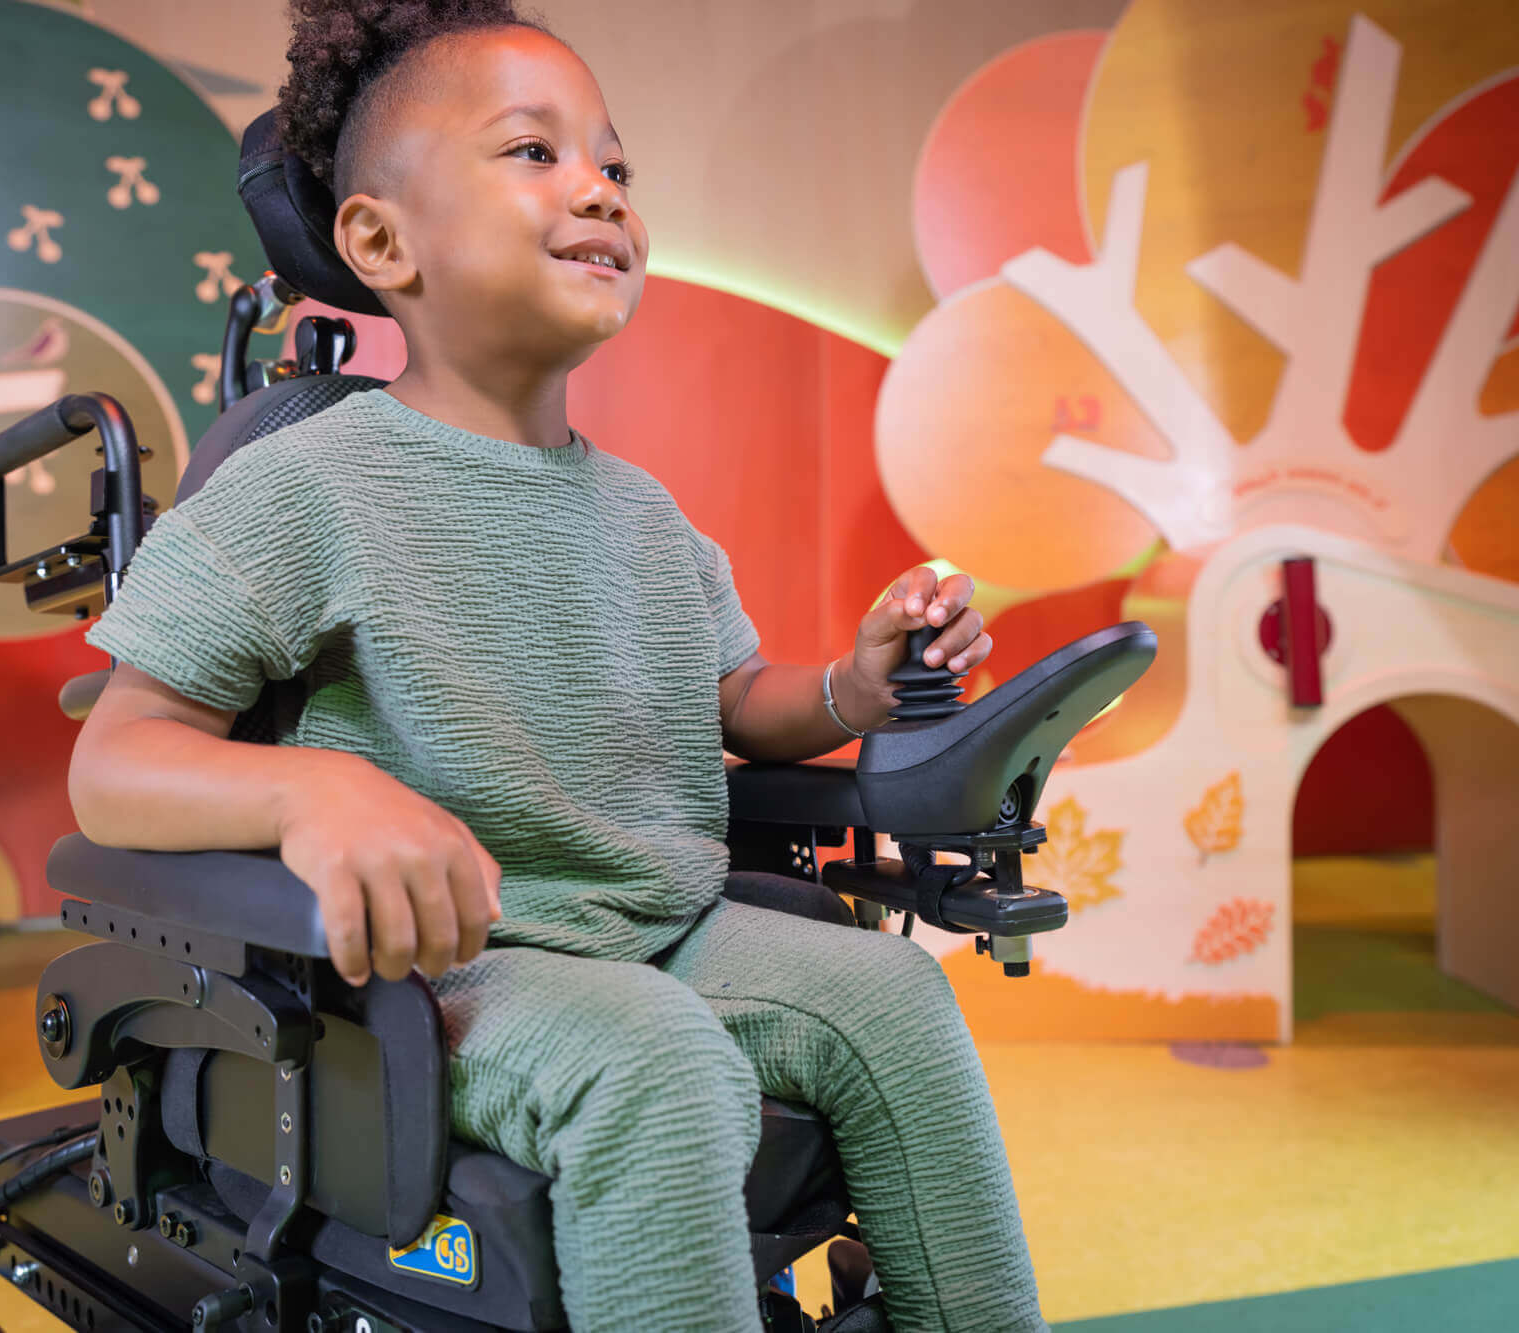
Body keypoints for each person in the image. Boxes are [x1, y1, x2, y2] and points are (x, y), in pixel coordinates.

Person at [69, 2, 1044, 1328]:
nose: (601, 190)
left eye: (616, 165)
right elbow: (116, 759)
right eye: (535, 152)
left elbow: (726, 703)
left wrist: (851, 690)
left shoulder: (644, 512)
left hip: (663, 924)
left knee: (899, 997)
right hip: (456, 966)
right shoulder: (305, 490)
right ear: (381, 242)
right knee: (657, 1067)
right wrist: (316, 793)